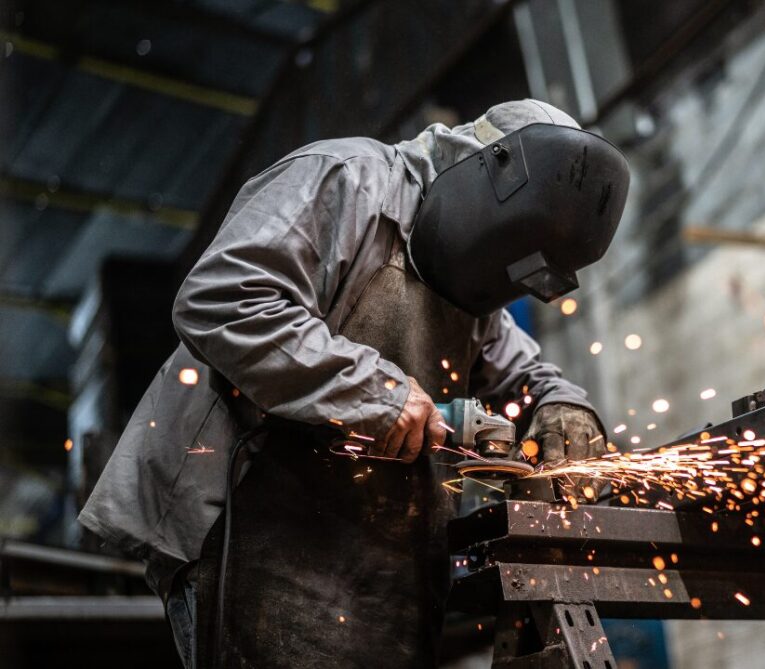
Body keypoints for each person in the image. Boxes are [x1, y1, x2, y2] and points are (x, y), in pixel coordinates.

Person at [78, 99, 630, 668]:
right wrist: (377, 395)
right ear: (488, 176)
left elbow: (529, 374)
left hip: (383, 564)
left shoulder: (475, 287)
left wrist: (565, 408)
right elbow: (223, 297)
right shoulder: (345, 180)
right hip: (256, 531)